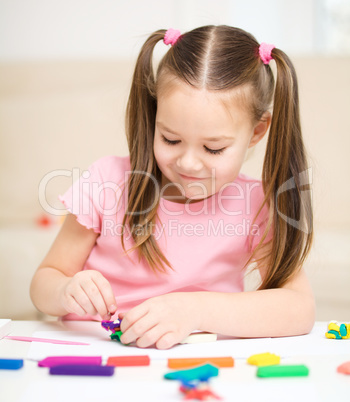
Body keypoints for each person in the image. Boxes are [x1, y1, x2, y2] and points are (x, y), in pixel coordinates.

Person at [30, 25, 315, 349]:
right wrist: (65, 291)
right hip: (93, 356)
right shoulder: (106, 182)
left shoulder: (255, 204)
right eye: (171, 139)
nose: (189, 163)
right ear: (154, 115)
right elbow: (44, 283)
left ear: (257, 131)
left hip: (196, 366)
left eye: (213, 148)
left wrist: (194, 310)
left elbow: (299, 307)